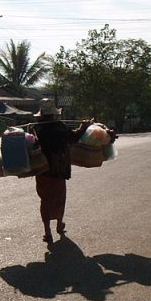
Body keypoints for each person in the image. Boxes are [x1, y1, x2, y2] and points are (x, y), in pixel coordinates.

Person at [33, 99, 91, 243]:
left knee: (45, 200)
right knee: (59, 199)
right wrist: (83, 127)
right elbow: (74, 138)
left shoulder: (35, 128)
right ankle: (59, 225)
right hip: (58, 169)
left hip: (42, 169)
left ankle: (47, 232)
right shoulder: (59, 127)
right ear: (53, 114)